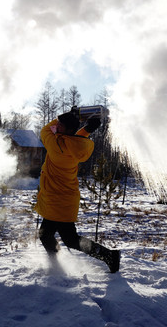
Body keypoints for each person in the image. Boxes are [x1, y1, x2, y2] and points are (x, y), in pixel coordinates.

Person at [35, 111, 120, 273]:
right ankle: (56, 262)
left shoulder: (55, 144)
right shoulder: (73, 145)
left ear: (66, 130)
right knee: (46, 235)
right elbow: (74, 139)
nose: (56, 126)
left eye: (60, 125)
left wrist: (75, 117)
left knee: (70, 239)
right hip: (63, 199)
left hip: (57, 201)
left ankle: (109, 255)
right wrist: (86, 129)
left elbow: (45, 129)